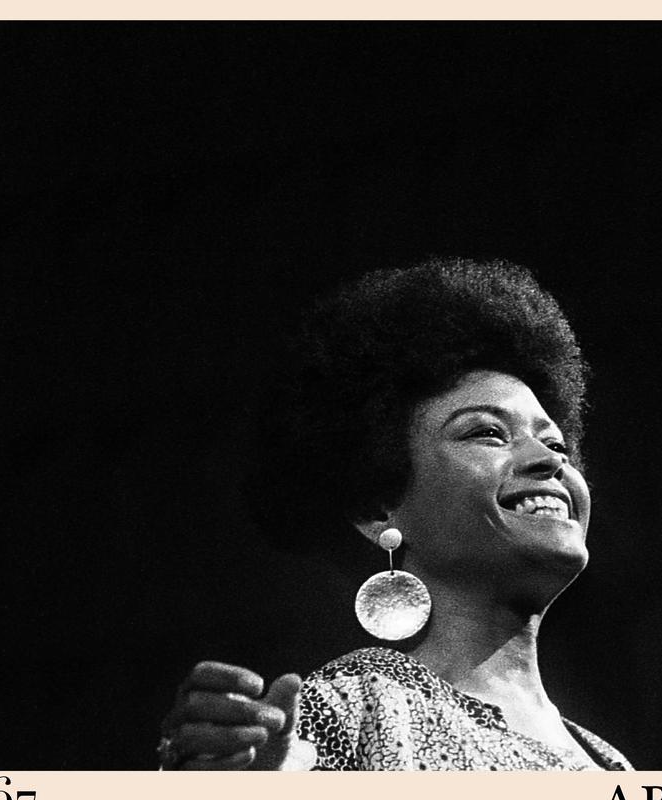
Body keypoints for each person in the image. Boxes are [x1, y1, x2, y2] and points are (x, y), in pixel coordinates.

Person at [157, 258, 632, 771]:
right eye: (487, 433)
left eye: (554, 441)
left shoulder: (607, 763)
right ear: (377, 505)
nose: (550, 460)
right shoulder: (352, 707)